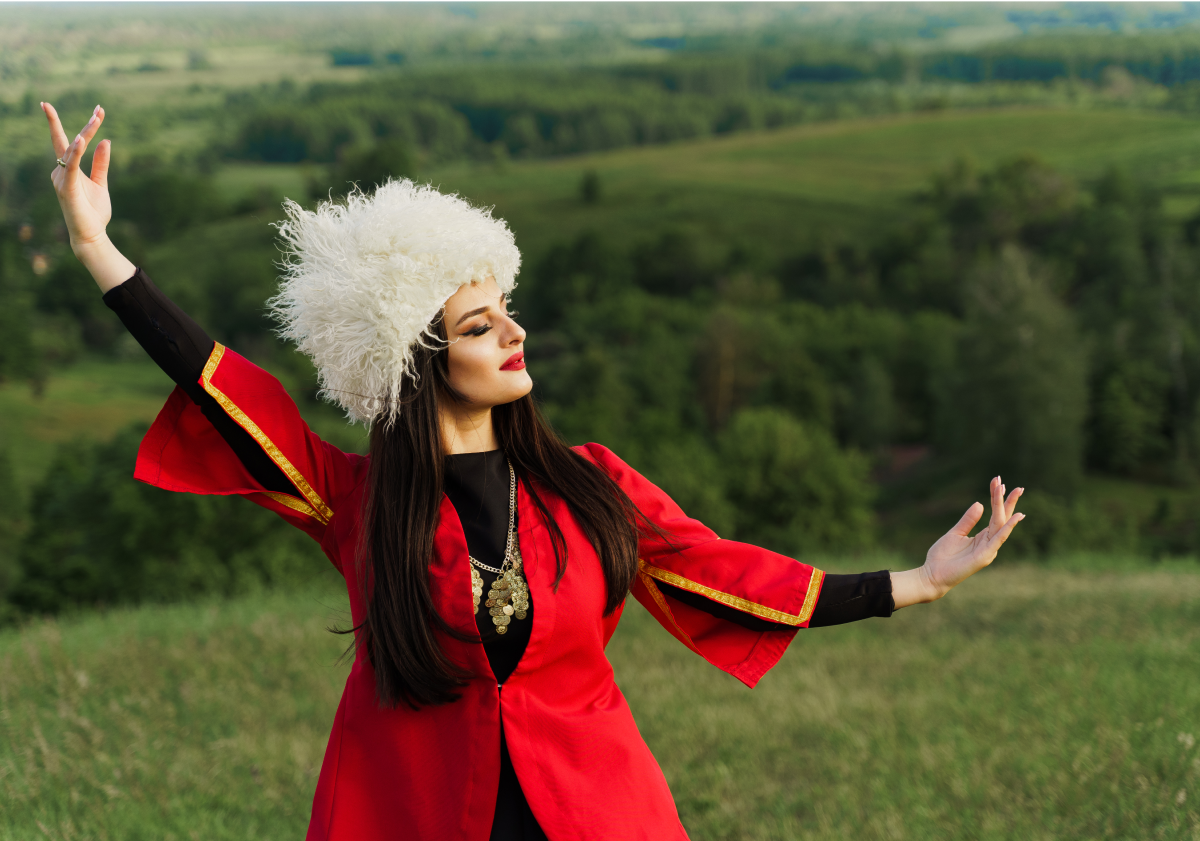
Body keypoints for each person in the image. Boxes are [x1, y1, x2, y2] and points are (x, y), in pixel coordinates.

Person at [42, 103, 1025, 841]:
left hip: (594, 808)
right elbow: (230, 396)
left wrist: (916, 582)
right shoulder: (359, 504)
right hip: (417, 811)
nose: (514, 333)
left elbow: (724, 572)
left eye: (507, 310)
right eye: (481, 325)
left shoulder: (590, 485)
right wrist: (98, 249)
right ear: (421, 359)